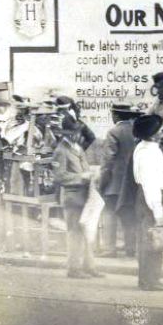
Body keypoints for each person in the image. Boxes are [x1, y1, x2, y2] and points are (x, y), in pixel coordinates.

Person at [127, 113, 163, 291]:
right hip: (153, 200)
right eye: (160, 129)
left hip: (154, 198)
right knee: (153, 240)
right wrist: (158, 212)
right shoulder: (147, 153)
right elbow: (150, 184)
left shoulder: (148, 147)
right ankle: (150, 281)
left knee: (152, 240)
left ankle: (151, 279)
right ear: (153, 133)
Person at [52, 118, 102, 279]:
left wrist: (91, 174)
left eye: (78, 132)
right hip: (72, 197)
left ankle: (89, 266)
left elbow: (84, 168)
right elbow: (59, 176)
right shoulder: (61, 150)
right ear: (67, 133)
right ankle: (73, 269)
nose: (78, 135)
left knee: (86, 232)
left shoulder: (77, 148)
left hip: (84, 195)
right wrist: (82, 177)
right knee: (74, 233)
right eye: (74, 132)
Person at [99, 102, 144, 258]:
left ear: (115, 115)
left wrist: (102, 183)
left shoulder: (113, 132)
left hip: (114, 184)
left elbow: (107, 161)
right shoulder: (137, 132)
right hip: (132, 183)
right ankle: (130, 249)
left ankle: (109, 249)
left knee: (109, 213)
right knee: (129, 216)